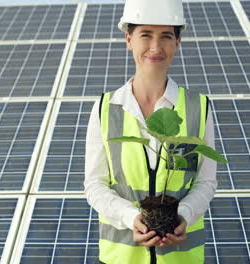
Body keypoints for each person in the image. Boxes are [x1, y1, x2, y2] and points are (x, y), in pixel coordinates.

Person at [84, 0, 218, 263]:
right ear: (129, 39)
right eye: (145, 35)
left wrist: (185, 215)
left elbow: (206, 181)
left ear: (178, 42)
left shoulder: (198, 108)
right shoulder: (105, 108)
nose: (156, 47)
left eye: (166, 36)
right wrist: (130, 217)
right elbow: (94, 184)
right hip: (122, 258)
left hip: (181, 258)